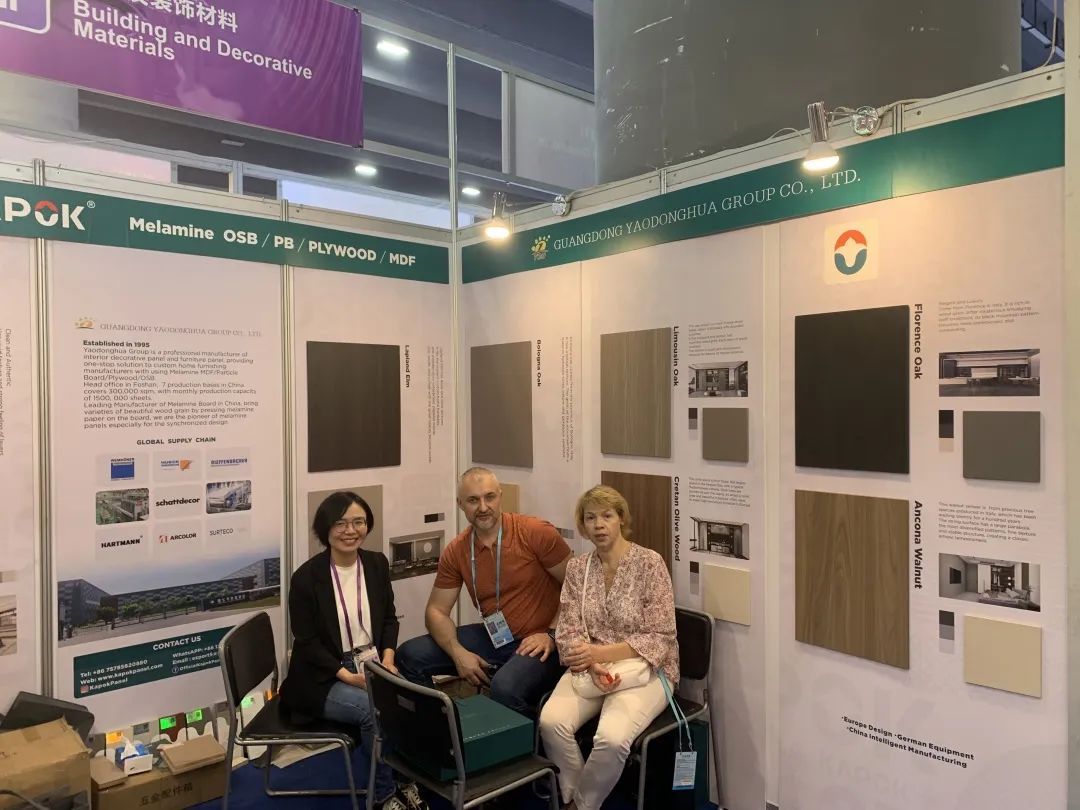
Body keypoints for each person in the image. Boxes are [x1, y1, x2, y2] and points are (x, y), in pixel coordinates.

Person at [280, 491, 426, 810]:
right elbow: (306, 641)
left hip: (372, 660)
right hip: (323, 674)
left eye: (358, 522)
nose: (350, 530)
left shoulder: (376, 564)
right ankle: (384, 796)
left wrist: (388, 659)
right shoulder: (306, 578)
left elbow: (388, 619)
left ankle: (406, 780)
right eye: (341, 523)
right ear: (325, 528)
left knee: (412, 701)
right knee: (374, 710)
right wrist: (346, 675)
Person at [539, 484, 679, 810]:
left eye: (607, 516)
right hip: (590, 667)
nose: (599, 525)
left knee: (611, 739)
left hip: (647, 669)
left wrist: (599, 654)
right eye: (591, 518)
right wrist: (590, 663)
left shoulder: (649, 563)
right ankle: (577, 796)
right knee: (551, 722)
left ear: (621, 519)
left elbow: (662, 634)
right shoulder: (578, 568)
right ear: (583, 525)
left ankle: (580, 806)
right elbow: (568, 629)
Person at [396, 467, 573, 716]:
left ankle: (530, 738)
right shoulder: (457, 550)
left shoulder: (534, 532)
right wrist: (458, 653)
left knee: (504, 688)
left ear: (500, 496)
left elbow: (577, 586)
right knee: (409, 655)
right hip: (497, 637)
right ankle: (443, 732)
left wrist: (551, 634)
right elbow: (436, 611)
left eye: (489, 497)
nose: (483, 507)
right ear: (460, 504)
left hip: (542, 642)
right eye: (472, 500)